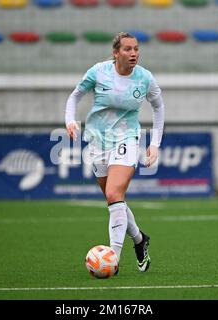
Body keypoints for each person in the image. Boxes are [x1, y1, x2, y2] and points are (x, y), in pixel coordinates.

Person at [64, 32, 165, 273]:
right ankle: (139, 239)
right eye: (128, 49)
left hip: (127, 138)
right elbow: (75, 95)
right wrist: (70, 120)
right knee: (115, 199)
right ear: (116, 53)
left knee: (113, 192)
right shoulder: (98, 72)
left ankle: (113, 259)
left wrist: (155, 143)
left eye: (136, 49)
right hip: (98, 141)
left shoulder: (144, 78)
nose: (134, 54)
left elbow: (158, 107)